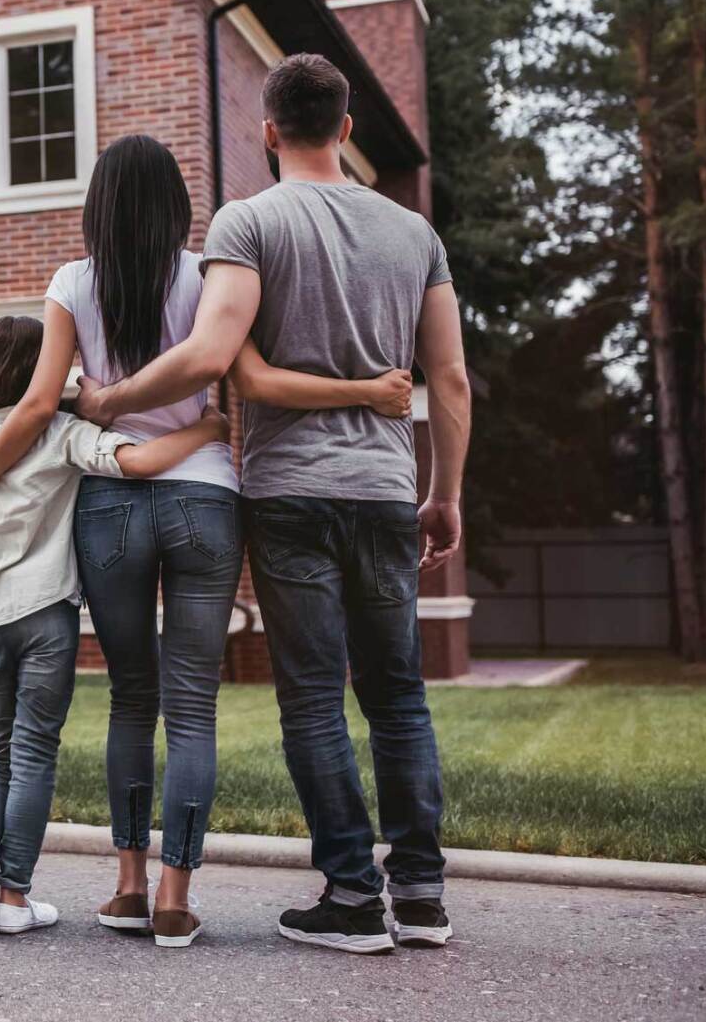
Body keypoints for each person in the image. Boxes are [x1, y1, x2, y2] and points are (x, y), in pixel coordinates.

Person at [0, 134, 413, 950]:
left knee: (132, 695)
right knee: (192, 706)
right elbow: (244, 371)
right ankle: (173, 897)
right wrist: (215, 423)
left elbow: (37, 405)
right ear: (178, 208)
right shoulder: (210, 275)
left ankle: (124, 885)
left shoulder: (72, 282)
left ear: (97, 206)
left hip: (112, 507)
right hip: (204, 497)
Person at [67, 55, 472, 955]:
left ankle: (353, 897)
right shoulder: (414, 233)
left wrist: (108, 401)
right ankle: (422, 893)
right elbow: (447, 374)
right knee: (400, 696)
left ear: (268, 131)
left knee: (316, 701)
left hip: (289, 493)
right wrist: (443, 492)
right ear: (349, 126)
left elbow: (214, 357)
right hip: (382, 492)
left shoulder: (248, 222)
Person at [0, 313, 230, 937]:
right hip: (45, 617)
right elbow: (141, 462)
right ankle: (13, 899)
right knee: (34, 754)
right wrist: (206, 428)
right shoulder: (64, 433)